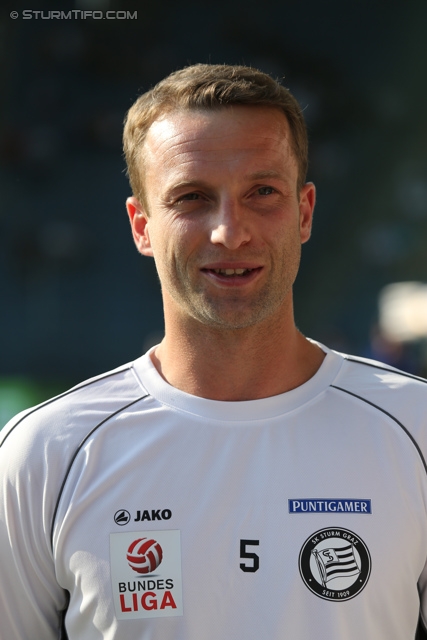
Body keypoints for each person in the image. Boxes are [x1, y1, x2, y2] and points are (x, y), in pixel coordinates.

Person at [1, 63, 427, 640]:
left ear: (304, 211)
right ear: (141, 225)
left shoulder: (415, 428)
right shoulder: (44, 454)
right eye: (193, 197)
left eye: (262, 192)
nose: (230, 231)